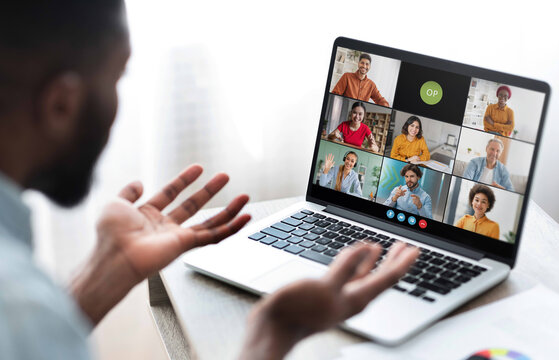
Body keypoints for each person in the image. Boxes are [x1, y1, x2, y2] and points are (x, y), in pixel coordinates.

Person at [0, 2, 419, 359]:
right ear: (60, 104)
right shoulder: (21, 308)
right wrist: (274, 330)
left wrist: (101, 277)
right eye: (118, 77)